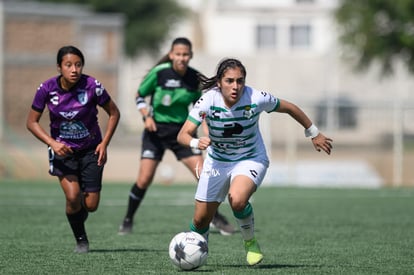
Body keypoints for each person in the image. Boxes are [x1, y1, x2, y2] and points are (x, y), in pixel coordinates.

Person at [177, 58, 333, 266]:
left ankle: (250, 243)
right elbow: (183, 135)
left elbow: (290, 108)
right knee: (200, 220)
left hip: (250, 159)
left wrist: (313, 133)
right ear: (219, 83)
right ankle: (197, 252)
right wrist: (197, 141)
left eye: (240, 81)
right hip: (217, 162)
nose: (235, 86)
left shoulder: (256, 97)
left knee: (237, 199)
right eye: (230, 81)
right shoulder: (207, 101)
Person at [118, 37, 235, 236]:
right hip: (155, 132)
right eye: (178, 54)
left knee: (203, 175)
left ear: (190, 56)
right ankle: (128, 219)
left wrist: (207, 131)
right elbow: (139, 95)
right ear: (172, 55)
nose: (182, 58)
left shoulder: (195, 78)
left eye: (185, 54)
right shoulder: (160, 73)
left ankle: (215, 217)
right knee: (144, 179)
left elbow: (203, 109)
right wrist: (146, 116)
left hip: (183, 133)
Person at [26, 45, 120, 253]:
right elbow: (32, 122)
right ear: (59, 67)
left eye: (78, 65)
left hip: (91, 150)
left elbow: (114, 113)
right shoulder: (46, 89)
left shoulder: (92, 86)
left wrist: (104, 143)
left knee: (91, 205)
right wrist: (52, 143)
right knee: (72, 196)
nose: (74, 69)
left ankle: (77, 214)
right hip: (63, 152)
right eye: (68, 65)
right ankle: (81, 239)